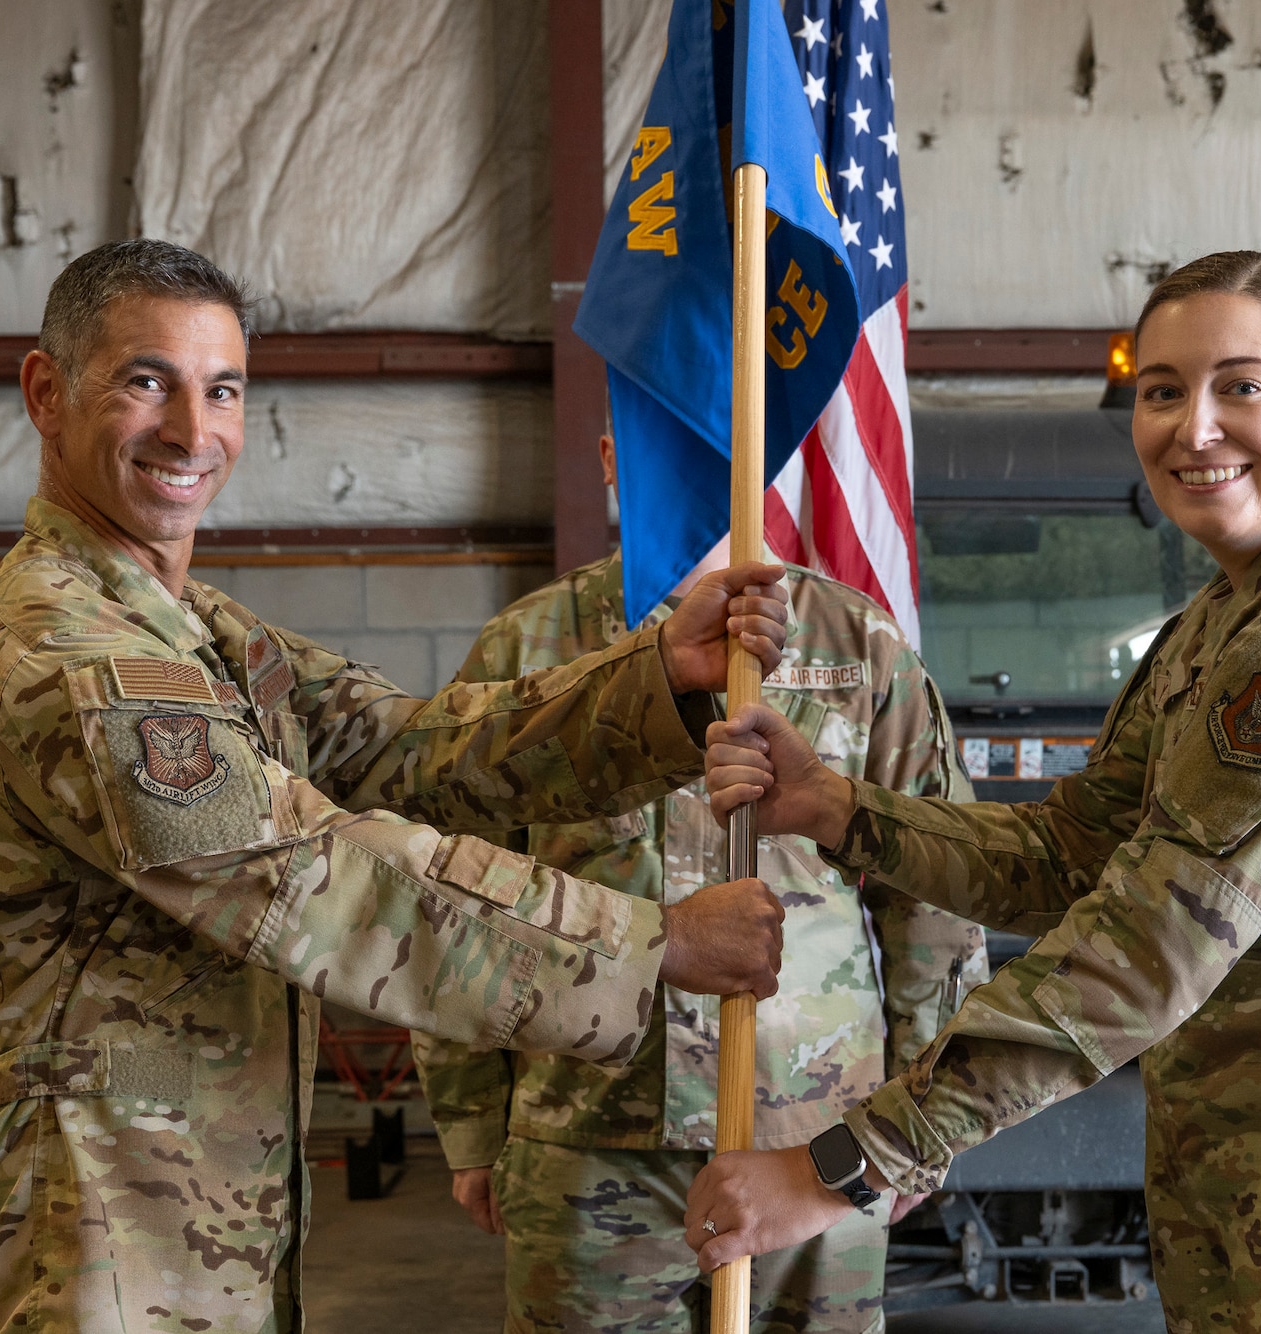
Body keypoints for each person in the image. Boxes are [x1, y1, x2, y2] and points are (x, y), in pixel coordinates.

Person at [690, 252, 1261, 1333]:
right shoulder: (1216, 628)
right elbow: (1069, 861)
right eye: (1163, 390)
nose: (1194, 427)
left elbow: (1142, 945)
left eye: (1241, 386)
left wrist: (843, 1163)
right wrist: (841, 809)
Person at [0, 239, 794, 1334]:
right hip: (84, 1239)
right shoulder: (63, 654)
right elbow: (316, 876)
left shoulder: (201, 635)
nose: (193, 431)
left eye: (220, 388)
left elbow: (412, 750)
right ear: (47, 393)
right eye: (147, 382)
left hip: (188, 1212)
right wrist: (650, 946)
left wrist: (658, 681)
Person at [412, 433, 989, 1333]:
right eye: (664, 435)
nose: (701, 466)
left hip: (814, 1134)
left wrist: (915, 1130)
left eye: (728, 441)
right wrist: (472, 1124)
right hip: (587, 1129)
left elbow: (935, 896)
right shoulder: (528, 647)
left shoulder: (859, 645)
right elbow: (456, 890)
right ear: (612, 455)